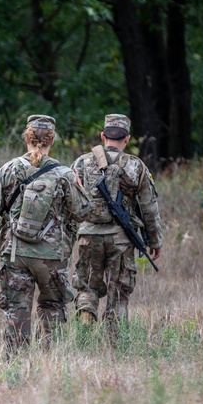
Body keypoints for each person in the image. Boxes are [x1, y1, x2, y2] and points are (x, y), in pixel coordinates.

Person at [0, 115, 90, 355]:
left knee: (17, 309)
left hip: (15, 252)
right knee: (53, 306)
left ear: (26, 137)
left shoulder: (7, 170)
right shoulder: (65, 174)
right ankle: (51, 362)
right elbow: (82, 212)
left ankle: (15, 363)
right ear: (52, 140)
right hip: (52, 256)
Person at [71, 114, 163, 331]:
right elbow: (149, 208)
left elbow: (70, 200)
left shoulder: (81, 162)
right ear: (127, 138)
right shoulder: (136, 166)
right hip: (121, 239)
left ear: (103, 136)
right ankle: (113, 342)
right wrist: (155, 240)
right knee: (119, 293)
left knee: (87, 287)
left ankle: (85, 322)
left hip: (88, 236)